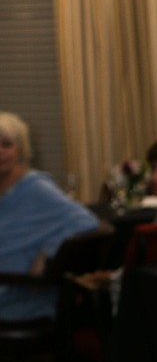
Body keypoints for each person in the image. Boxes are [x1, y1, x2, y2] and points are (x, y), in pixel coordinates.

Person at [0, 112, 99, 322]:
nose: (0, 152)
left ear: (20, 149)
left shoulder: (35, 188)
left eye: (6, 145)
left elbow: (86, 223)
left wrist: (48, 251)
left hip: (17, 292)